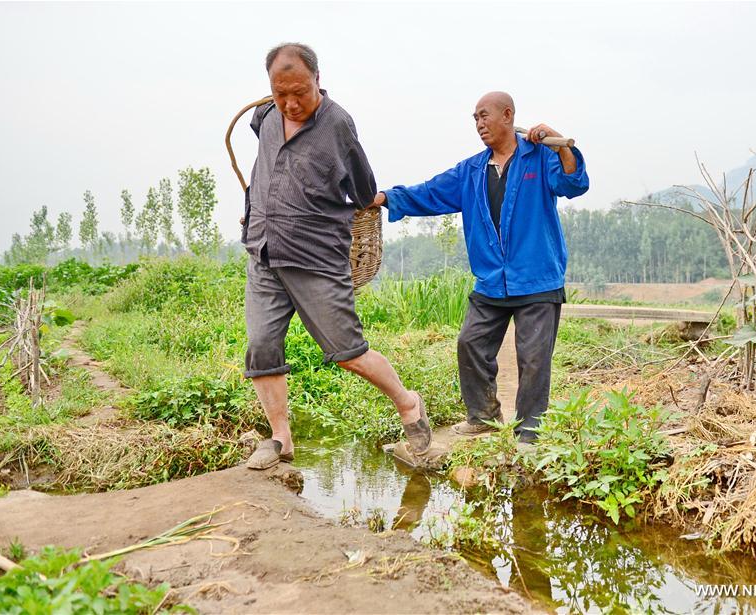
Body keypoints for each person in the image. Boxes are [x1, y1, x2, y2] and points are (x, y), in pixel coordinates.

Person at [241, 42, 431, 469]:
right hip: (264, 249)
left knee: (348, 352)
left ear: (318, 80)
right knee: (261, 346)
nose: (291, 104)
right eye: (280, 93)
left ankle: (407, 402)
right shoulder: (266, 117)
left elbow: (363, 189)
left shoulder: (338, 124)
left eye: (300, 92)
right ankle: (280, 438)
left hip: (316, 258)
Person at [370, 92, 589, 443]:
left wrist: (560, 144)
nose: (479, 124)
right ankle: (484, 416)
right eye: (475, 118)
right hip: (491, 280)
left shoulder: (540, 156)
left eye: (485, 116)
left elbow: (573, 184)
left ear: (508, 115)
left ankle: (529, 431)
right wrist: (385, 198)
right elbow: (429, 193)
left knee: (533, 359)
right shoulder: (471, 171)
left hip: (536, 279)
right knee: (470, 343)